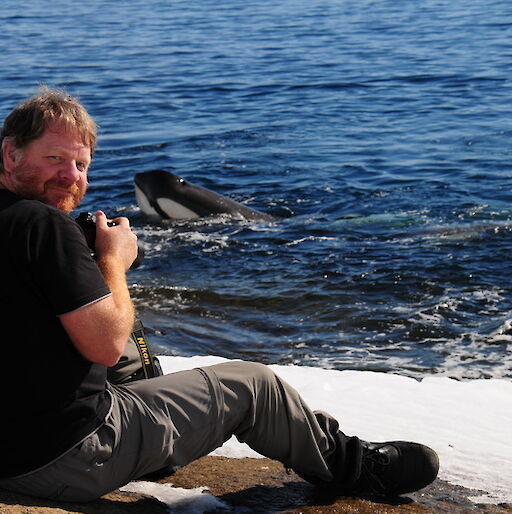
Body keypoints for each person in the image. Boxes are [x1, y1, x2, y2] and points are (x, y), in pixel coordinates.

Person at [0, 87, 439, 503]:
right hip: (61, 459)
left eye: (81, 165)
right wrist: (113, 262)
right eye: (55, 158)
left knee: (131, 353)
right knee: (252, 385)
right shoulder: (45, 226)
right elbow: (106, 346)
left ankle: (152, 445)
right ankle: (357, 467)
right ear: (10, 153)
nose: (70, 176)